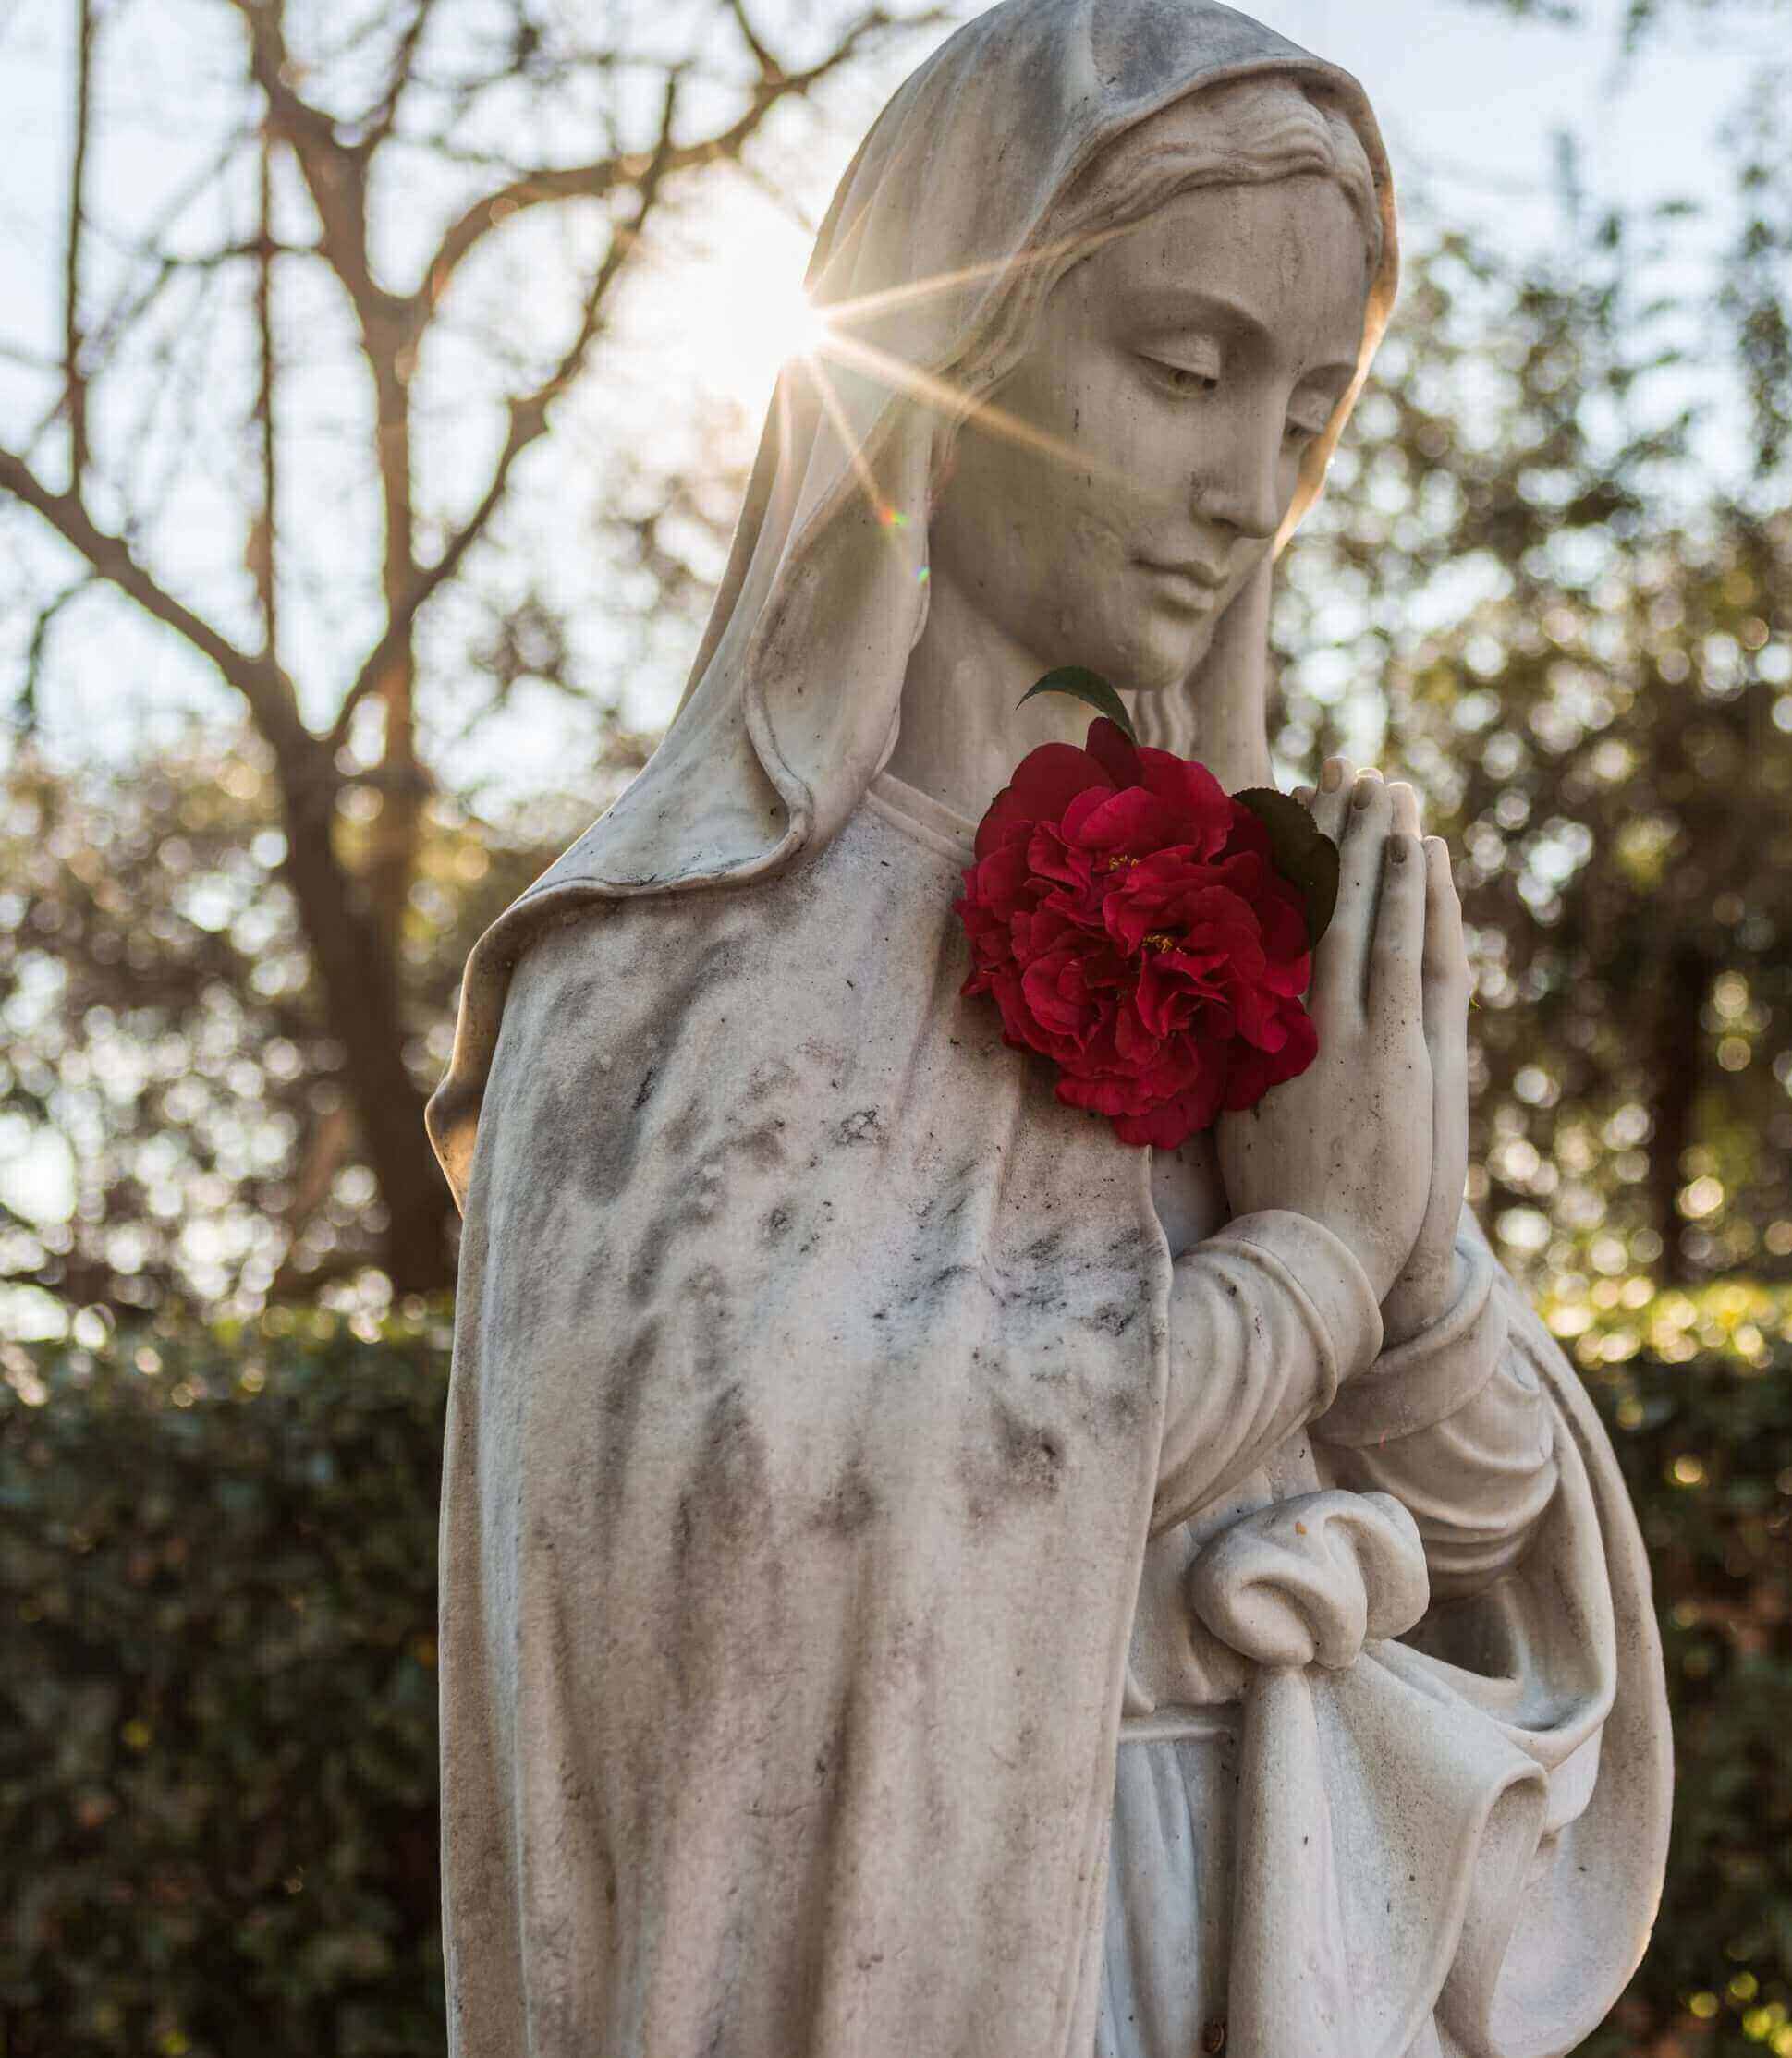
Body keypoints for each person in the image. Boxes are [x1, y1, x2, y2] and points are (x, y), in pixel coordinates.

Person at [426, 4, 1669, 2053]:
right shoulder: (659, 973)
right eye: (1184, 371)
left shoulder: (1256, 918)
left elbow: (1481, 1525)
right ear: (945, 358)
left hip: (1278, 1945)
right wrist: (1311, 1269)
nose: (1246, 488)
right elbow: (758, 1536)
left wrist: (1411, 1246)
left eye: (1303, 413)